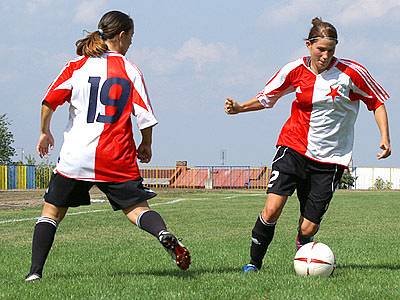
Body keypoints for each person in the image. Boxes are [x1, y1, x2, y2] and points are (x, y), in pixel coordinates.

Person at [25, 10, 190, 282]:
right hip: (116, 157)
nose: (131, 44)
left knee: (51, 212)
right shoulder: (129, 69)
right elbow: (145, 115)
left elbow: (48, 101)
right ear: (122, 36)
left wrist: (44, 132)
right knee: (137, 210)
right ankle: (162, 233)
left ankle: (34, 273)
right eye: (131, 38)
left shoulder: (76, 66)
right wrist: (145, 144)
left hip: (76, 158)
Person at [224, 17, 391, 272]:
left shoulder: (351, 72)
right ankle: (253, 264)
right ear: (308, 45)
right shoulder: (294, 70)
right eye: (320, 49)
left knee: (308, 227)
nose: (325, 55)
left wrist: (384, 138)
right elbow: (268, 98)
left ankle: (305, 257)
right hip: (293, 148)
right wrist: (240, 108)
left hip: (331, 159)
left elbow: (376, 101)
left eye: (330, 50)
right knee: (271, 209)